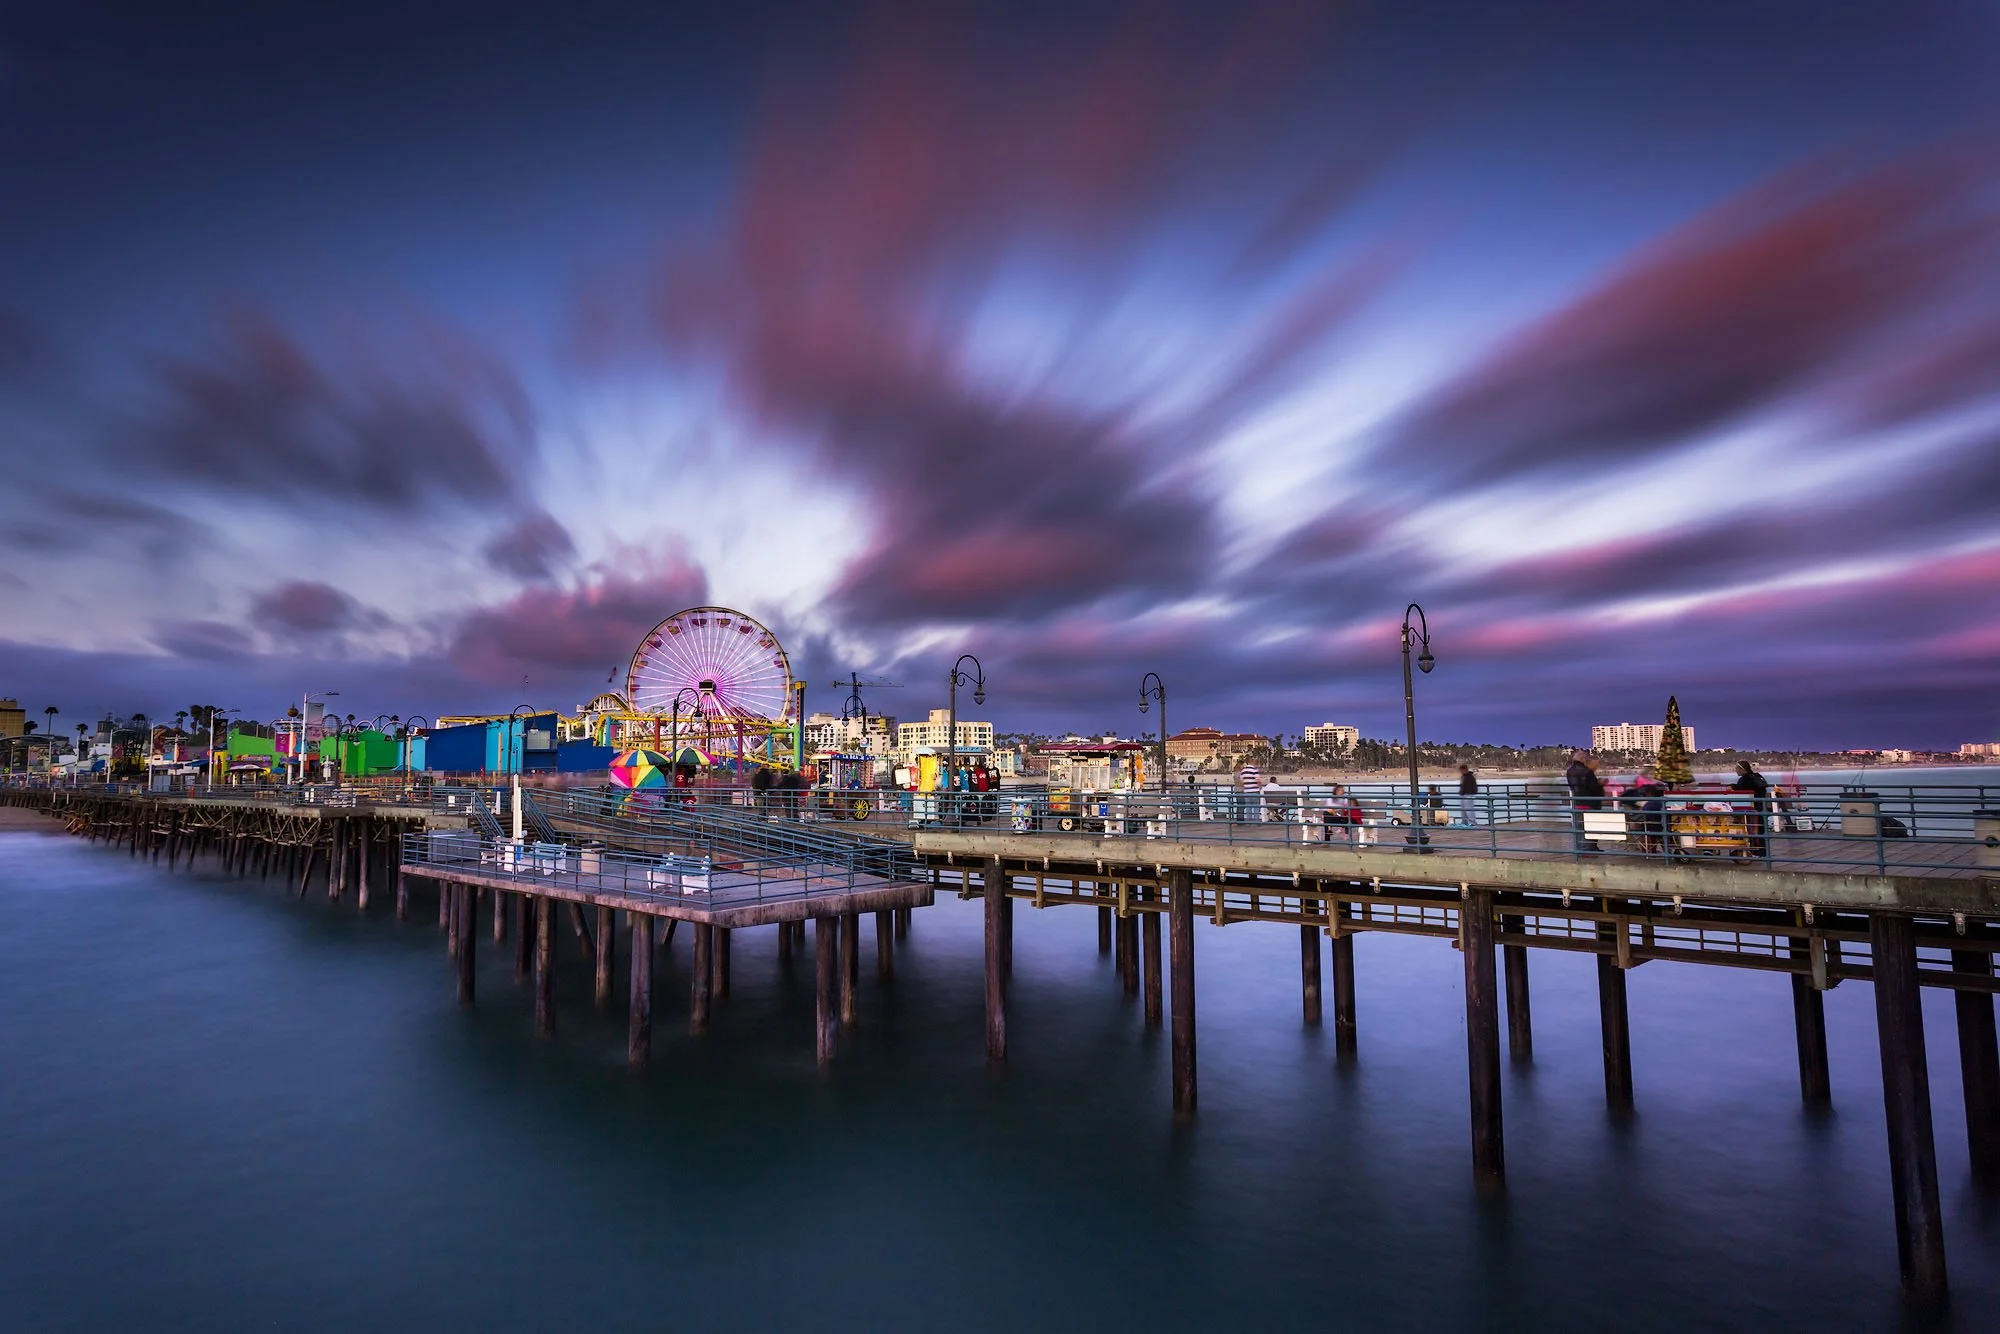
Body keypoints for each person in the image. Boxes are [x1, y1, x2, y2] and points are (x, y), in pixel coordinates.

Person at [1565, 749, 1607, 854]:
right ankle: (1590, 848)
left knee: (1580, 826)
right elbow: (1593, 787)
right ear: (1583, 759)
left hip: (1578, 801)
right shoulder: (1587, 771)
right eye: (1586, 758)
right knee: (1592, 825)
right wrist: (1601, 783)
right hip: (1590, 802)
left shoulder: (1569, 771)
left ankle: (1581, 848)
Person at [1621, 766, 1667, 855]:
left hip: (1639, 816)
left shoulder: (1635, 793)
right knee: (1657, 824)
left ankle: (1651, 849)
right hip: (1642, 818)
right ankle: (1659, 850)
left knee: (1655, 823)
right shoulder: (1645, 795)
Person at [1729, 760, 1771, 858]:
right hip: (1761, 806)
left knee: (1749, 828)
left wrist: (1733, 788)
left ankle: (1753, 851)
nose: (1735, 770)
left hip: (1752, 808)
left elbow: (1742, 792)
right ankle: (1762, 852)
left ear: (1741, 769)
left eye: (1737, 768)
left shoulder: (1744, 779)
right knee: (1760, 829)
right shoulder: (1755, 776)